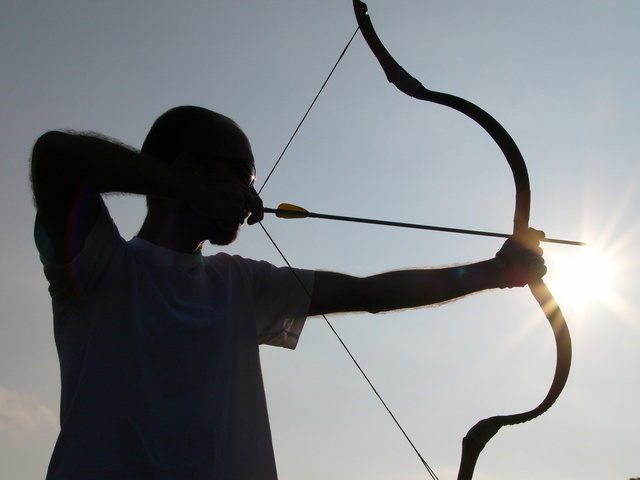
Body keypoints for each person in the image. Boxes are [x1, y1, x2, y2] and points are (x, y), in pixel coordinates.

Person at [31, 105, 546, 480]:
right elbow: (55, 156)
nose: (253, 194)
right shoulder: (100, 264)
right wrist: (188, 189)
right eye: (241, 173)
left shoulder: (239, 282)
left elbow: (370, 292)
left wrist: (496, 271)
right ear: (185, 166)